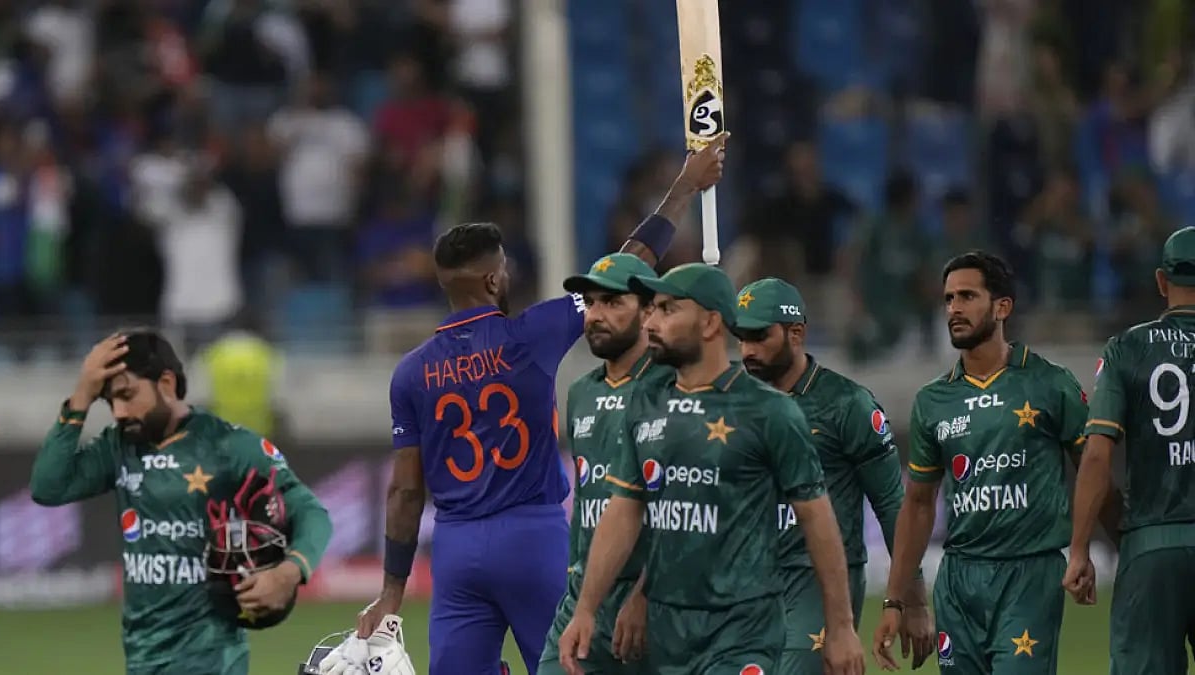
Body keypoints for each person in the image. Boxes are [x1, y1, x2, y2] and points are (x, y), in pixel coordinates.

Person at [358, 136, 727, 675]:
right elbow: (627, 264)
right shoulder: (530, 336)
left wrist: (391, 592)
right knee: (568, 665)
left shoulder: (411, 371)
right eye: (503, 270)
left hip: (456, 549)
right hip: (533, 536)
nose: (507, 276)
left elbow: (405, 491)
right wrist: (686, 185)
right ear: (491, 279)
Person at [558, 263, 866, 675]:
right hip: (666, 631)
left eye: (668, 310)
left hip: (743, 627)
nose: (651, 321)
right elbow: (625, 508)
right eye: (653, 309)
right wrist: (586, 609)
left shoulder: (769, 410)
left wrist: (841, 626)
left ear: (709, 323)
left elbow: (817, 516)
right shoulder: (646, 403)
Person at [29, 329, 333, 675]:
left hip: (212, 658)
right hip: (142, 660)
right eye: (110, 401)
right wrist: (81, 396)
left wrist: (289, 572)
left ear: (167, 383)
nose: (120, 411)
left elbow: (310, 511)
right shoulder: (118, 447)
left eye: (128, 395)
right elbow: (48, 487)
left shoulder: (227, 445)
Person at [873, 251, 1090, 674]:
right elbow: (918, 505)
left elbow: (1093, 469)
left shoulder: (1049, 384)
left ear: (1002, 306)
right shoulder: (933, 401)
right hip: (959, 582)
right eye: (949, 298)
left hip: (1029, 573)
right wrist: (895, 602)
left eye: (968, 296)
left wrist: (1089, 547)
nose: (954, 308)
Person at [733, 277, 934, 672]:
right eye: (741, 338)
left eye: (759, 337)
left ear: (797, 333)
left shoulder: (846, 405)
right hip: (747, 581)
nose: (747, 351)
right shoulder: (733, 404)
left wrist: (912, 601)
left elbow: (894, 505)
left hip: (817, 581)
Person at [1065, 227, 1195, 675]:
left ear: (1162, 282)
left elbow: (1097, 454)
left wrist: (1080, 548)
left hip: (1150, 543)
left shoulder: (1127, 349)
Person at [538, 253, 668, 675]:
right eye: (591, 303)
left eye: (613, 303)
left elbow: (687, 504)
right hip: (584, 599)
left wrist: (648, 594)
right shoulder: (581, 392)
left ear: (649, 310)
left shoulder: (672, 389)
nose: (596, 315)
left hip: (654, 603)